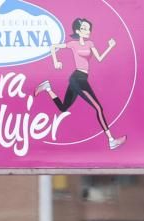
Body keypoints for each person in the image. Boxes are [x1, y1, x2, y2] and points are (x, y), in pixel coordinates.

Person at [36, 17, 126, 150]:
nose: (87, 30)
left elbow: (100, 58)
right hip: (77, 78)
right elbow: (53, 46)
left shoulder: (90, 44)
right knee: (98, 108)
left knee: (63, 108)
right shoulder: (73, 44)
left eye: (88, 28)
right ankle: (111, 140)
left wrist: (110, 47)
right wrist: (56, 61)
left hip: (82, 78)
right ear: (78, 31)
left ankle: (48, 88)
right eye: (84, 28)